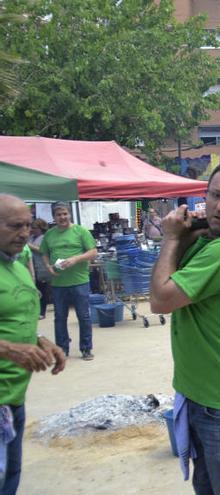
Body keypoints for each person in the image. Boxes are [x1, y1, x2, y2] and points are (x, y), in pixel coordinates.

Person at [149, 160, 220, 495]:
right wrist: (189, 234)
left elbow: (160, 299)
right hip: (206, 397)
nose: (219, 206)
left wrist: (172, 237)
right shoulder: (212, 240)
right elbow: (168, 274)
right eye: (214, 195)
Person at [0, 194, 66, 494]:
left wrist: (41, 341)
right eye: (16, 226)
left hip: (13, 396)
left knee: (11, 475)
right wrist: (9, 349)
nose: (25, 233)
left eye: (28, 225)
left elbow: (17, 316)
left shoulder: (16, 266)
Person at [40, 201, 97, 360]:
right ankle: (62, 349)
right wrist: (47, 266)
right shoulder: (49, 235)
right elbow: (44, 252)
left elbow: (93, 252)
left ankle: (86, 348)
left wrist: (76, 259)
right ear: (54, 217)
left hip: (79, 281)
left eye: (65, 214)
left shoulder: (80, 231)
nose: (62, 217)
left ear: (69, 214)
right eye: (59, 215)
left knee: (84, 316)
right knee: (59, 318)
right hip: (58, 284)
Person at [29, 219, 51, 320]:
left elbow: (43, 250)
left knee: (42, 289)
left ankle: (42, 312)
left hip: (42, 267)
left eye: (34, 228)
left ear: (40, 228)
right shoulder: (31, 238)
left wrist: (30, 246)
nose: (32, 230)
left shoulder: (44, 238)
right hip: (33, 266)